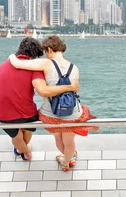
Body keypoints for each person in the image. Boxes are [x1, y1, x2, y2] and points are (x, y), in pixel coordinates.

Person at [9, 35, 97, 171]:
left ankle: (65, 157)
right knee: (69, 142)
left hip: (51, 114)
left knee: (58, 138)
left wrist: (11, 56)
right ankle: (66, 162)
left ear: (49, 49)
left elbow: (17, 64)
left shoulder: (46, 63)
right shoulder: (75, 68)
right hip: (72, 113)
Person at [0, 37, 79, 161]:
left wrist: (12, 56)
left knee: (20, 137)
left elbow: (15, 72)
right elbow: (48, 90)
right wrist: (70, 87)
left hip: (6, 113)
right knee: (66, 139)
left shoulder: (3, 66)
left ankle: (25, 151)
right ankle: (65, 159)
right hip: (64, 111)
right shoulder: (72, 68)